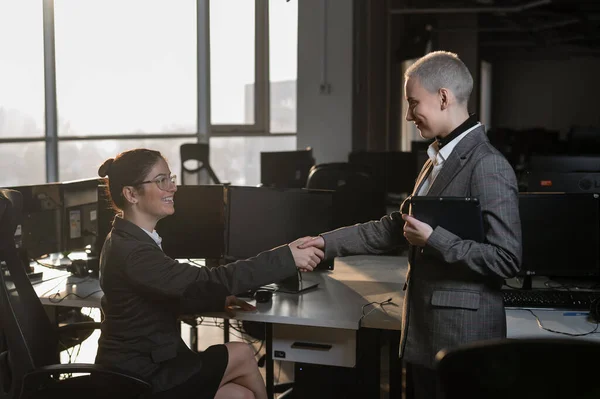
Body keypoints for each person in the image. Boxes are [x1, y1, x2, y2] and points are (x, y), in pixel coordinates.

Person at [297, 51, 522, 398]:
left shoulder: (488, 165)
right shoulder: (436, 159)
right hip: (425, 336)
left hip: (463, 342)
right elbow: (393, 227)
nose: (407, 115)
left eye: (413, 102)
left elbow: (506, 260)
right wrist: (324, 243)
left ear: (443, 97)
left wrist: (435, 239)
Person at [94, 148, 324, 399]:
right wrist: (287, 257)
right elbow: (210, 280)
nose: (172, 187)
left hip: (144, 365)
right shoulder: (134, 252)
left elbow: (164, 288)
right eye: (161, 180)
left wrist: (219, 298)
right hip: (138, 377)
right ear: (131, 194)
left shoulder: (128, 237)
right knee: (242, 353)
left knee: (239, 395)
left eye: (171, 178)